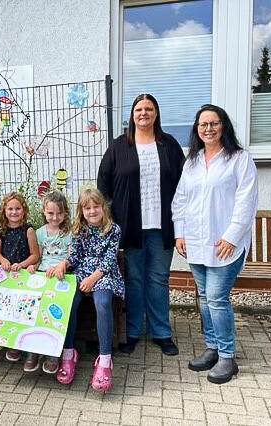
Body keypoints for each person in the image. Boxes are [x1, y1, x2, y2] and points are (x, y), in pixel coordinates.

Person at [172, 104, 258, 384]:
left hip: (225, 244)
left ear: (224, 126)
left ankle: (227, 357)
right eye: (203, 124)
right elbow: (181, 200)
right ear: (197, 130)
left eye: (214, 123)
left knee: (218, 300)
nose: (208, 129)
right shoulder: (192, 161)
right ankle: (212, 348)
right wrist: (179, 232)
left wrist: (232, 235)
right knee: (205, 299)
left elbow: (247, 201)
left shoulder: (239, 159)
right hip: (196, 243)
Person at [97, 93, 185, 356]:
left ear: (156, 113)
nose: (144, 113)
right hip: (129, 227)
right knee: (133, 280)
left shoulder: (169, 145)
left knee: (158, 278)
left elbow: (184, 186)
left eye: (149, 109)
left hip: (162, 227)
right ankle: (132, 331)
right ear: (132, 115)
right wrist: (107, 222)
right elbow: (103, 186)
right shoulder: (118, 147)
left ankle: (161, 332)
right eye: (139, 109)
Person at [51, 187, 125, 391]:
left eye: (96, 206)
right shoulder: (79, 229)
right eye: (87, 208)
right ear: (81, 211)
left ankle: (105, 359)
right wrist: (63, 264)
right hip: (81, 273)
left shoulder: (113, 229)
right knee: (67, 302)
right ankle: (68, 352)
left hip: (103, 274)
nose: (92, 211)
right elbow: (74, 256)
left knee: (102, 304)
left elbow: (110, 259)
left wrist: (93, 278)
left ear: (103, 207)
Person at [0, 191, 39, 369]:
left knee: (23, 310)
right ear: (4, 211)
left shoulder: (28, 230)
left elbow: (35, 255)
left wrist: (21, 264)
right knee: (0, 308)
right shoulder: (1, 231)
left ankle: (24, 349)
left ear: (24, 210)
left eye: (17, 208)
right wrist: (3, 260)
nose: (14, 212)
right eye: (10, 209)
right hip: (6, 276)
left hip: (23, 276)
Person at [26, 190, 73, 374]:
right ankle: (33, 352)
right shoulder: (39, 233)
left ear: (65, 213)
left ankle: (53, 354)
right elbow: (37, 256)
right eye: (51, 213)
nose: (55, 217)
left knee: (54, 314)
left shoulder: (68, 233)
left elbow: (70, 258)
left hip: (61, 278)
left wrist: (61, 269)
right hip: (42, 276)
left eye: (59, 213)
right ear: (44, 212)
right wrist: (32, 266)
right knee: (35, 312)